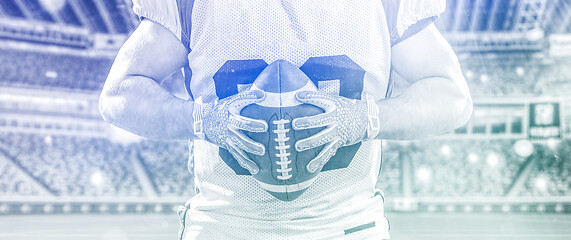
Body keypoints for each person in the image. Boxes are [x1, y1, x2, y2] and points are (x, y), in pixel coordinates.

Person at [99, 0, 473, 239]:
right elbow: (119, 94)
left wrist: (364, 118)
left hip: (346, 226)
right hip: (227, 226)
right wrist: (201, 119)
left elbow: (451, 95)